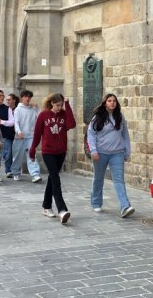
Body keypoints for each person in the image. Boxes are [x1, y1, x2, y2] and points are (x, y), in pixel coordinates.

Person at [30, 93, 76, 224]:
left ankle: (46, 206)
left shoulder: (63, 114)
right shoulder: (43, 115)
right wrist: (32, 149)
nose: (59, 107)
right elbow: (37, 134)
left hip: (61, 151)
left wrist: (67, 106)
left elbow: (71, 124)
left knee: (52, 178)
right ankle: (62, 210)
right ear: (51, 103)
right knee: (55, 178)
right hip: (48, 152)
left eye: (61, 105)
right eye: (57, 105)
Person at [87, 93, 135, 218]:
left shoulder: (120, 117)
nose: (112, 103)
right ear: (105, 103)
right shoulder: (97, 117)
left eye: (114, 101)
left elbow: (125, 135)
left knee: (119, 180)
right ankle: (96, 203)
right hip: (100, 153)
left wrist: (127, 151)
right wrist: (93, 151)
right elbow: (91, 134)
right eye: (109, 100)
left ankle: (125, 206)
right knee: (98, 179)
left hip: (117, 153)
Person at [11, 90, 42, 183]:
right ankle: (16, 173)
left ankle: (35, 174)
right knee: (17, 156)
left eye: (29, 97)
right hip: (19, 137)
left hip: (30, 136)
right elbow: (16, 122)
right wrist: (18, 131)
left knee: (32, 155)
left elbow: (40, 117)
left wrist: (37, 108)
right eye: (25, 97)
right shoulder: (18, 109)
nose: (27, 99)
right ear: (22, 98)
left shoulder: (33, 109)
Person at [0, 89, 15, 183]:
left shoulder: (7, 108)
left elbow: (12, 122)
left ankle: (4, 171)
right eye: (0, 95)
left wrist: (2, 122)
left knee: (7, 154)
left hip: (5, 134)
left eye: (3, 96)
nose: (2, 97)